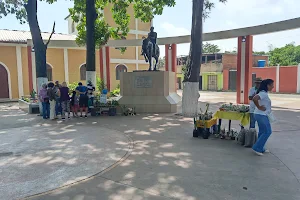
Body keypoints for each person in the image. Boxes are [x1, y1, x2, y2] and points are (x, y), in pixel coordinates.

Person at [252, 79, 274, 156]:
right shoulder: (263, 93)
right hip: (261, 115)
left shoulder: (264, 93)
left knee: (262, 132)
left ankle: (260, 147)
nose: (273, 87)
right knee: (267, 131)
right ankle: (257, 148)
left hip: (260, 114)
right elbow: (255, 98)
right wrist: (259, 107)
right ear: (267, 85)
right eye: (272, 85)